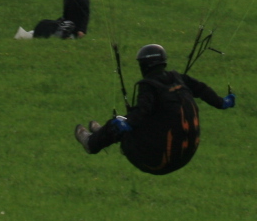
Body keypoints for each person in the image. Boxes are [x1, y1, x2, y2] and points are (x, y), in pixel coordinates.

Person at [74, 43, 234, 175]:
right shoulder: (177, 77)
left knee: (118, 122)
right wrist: (222, 102)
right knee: (135, 122)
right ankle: (103, 134)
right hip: (184, 157)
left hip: (156, 162)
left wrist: (123, 124)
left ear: (143, 66)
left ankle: (91, 143)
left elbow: (141, 112)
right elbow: (202, 89)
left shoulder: (149, 86)